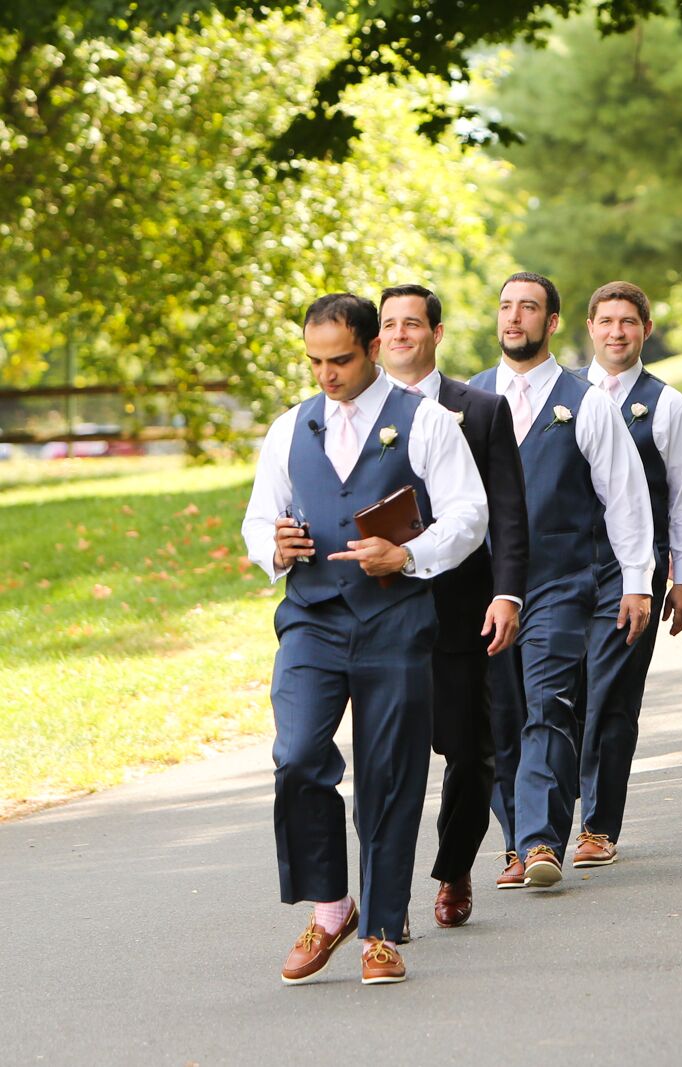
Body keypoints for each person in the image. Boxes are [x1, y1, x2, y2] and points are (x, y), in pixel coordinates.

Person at [242, 293, 487, 985]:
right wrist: (276, 545)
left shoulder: (427, 422)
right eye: (315, 361)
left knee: (390, 774)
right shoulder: (290, 427)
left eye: (340, 359)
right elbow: (259, 519)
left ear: (374, 348)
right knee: (295, 756)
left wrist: (408, 556)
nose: (326, 374)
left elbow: (470, 513)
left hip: (395, 621)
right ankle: (330, 908)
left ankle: (380, 930)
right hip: (312, 620)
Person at [466, 272, 655, 889]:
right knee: (498, 717)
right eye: (505, 308)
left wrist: (636, 580)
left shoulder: (588, 402)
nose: (513, 319)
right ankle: (515, 840)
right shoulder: (465, 401)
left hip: (561, 582)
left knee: (549, 703)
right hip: (482, 585)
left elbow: (626, 497)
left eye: (528, 309)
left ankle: (542, 840)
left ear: (551, 323)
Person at [376, 284, 528, 926]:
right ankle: (387, 897)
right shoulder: (354, 414)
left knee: (470, 752)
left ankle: (455, 867)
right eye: (389, 325)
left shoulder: (483, 410)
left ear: (437, 333)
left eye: (413, 324)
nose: (400, 334)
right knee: (392, 757)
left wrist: (506, 592)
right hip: (384, 611)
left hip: (464, 607)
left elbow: (510, 514)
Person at [575, 281, 682, 865]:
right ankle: (548, 821)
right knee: (562, 697)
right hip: (564, 570)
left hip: (636, 572)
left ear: (645, 330)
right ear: (590, 328)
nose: (616, 332)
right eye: (606, 321)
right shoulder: (567, 398)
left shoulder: (667, 405)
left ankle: (599, 825)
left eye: (628, 322)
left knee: (613, 696)